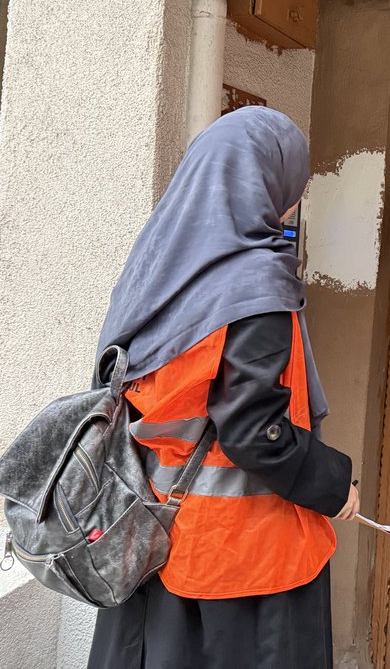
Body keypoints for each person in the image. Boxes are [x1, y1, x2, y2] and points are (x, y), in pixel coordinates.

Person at [87, 107, 358, 669]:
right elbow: (256, 433)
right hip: (242, 561)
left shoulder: (156, 270)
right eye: (293, 184)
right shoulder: (257, 282)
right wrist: (335, 484)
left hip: (149, 542)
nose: (293, 201)